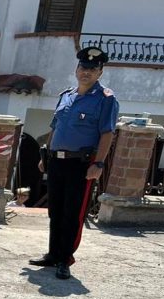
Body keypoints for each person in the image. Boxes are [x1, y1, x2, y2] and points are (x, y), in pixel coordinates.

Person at [29, 47, 119, 280]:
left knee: (73, 213)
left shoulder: (105, 99)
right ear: (76, 69)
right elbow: (55, 127)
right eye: (83, 67)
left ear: (100, 72)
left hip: (81, 164)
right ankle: (52, 254)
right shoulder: (66, 95)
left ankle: (65, 259)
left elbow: (107, 134)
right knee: (55, 210)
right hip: (57, 162)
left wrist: (98, 164)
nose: (86, 72)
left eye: (92, 69)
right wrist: (45, 157)